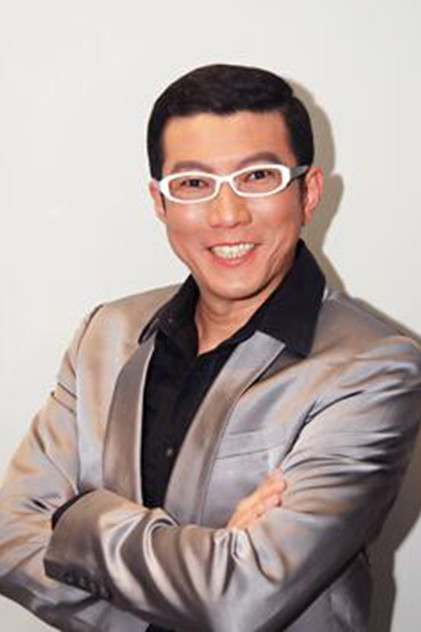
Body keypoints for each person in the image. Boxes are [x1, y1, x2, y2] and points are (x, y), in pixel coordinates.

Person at [0, 64, 420, 632]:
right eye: (194, 184)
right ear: (160, 202)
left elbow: (241, 600)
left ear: (309, 192)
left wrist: (76, 520)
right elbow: (9, 536)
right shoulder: (105, 334)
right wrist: (204, 571)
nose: (227, 215)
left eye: (258, 177)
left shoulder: (374, 367)